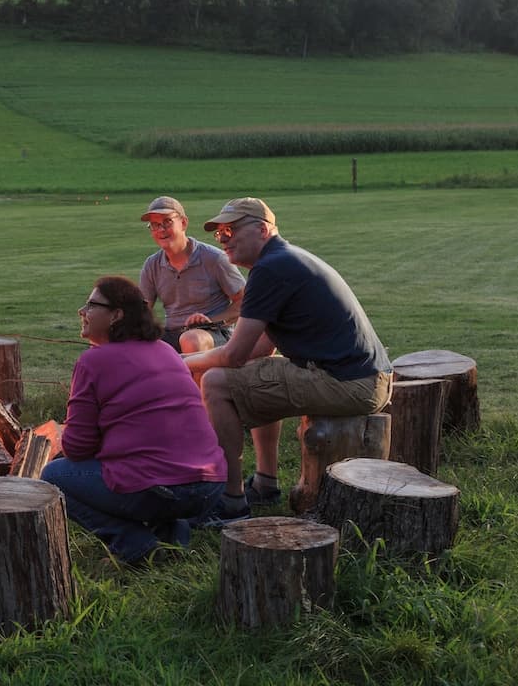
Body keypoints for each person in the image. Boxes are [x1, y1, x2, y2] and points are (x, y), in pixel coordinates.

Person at [185, 198, 392, 525]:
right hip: (365, 378)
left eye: (231, 229)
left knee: (215, 383)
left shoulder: (271, 268)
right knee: (255, 373)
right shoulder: (282, 260)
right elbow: (258, 352)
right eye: (220, 232)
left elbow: (233, 354)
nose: (223, 237)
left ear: (262, 230)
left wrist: (180, 362)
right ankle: (266, 484)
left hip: (349, 383)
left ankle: (231, 502)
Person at [41, 276, 227, 564]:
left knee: (54, 476)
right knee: (147, 470)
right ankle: (174, 535)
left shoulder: (93, 361)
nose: (82, 311)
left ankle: (136, 546)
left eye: (91, 305)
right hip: (210, 485)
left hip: (161, 488)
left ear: (116, 315)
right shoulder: (166, 351)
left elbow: (78, 449)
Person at [138, 196, 246, 354]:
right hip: (172, 333)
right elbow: (141, 309)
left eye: (167, 221)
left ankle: (197, 380)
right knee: (133, 345)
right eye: (155, 225)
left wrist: (210, 321)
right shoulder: (152, 265)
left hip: (213, 333)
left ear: (183, 223)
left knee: (191, 339)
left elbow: (244, 301)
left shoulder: (213, 259)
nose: (161, 229)